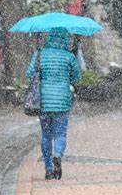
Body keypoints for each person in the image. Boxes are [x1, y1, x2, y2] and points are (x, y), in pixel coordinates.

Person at [26, 29, 81, 180]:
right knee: (60, 133)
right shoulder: (69, 56)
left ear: (49, 37)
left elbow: (29, 73)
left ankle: (48, 168)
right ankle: (58, 154)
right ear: (65, 39)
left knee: (46, 134)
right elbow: (77, 77)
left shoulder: (40, 54)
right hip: (62, 100)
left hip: (43, 100)